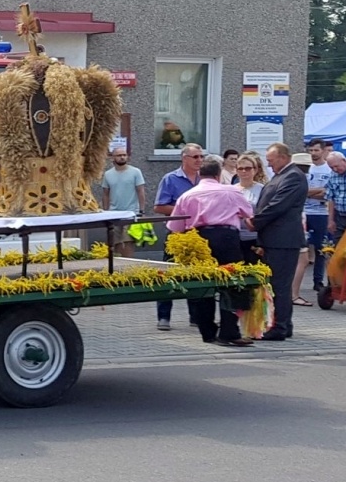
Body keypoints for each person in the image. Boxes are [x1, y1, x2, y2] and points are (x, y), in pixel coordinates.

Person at [169, 158, 254, 346]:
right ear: (218, 174)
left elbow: (175, 227)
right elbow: (249, 216)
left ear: (200, 174)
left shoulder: (187, 195)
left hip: (199, 240)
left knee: (203, 286)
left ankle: (207, 333)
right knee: (233, 284)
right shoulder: (232, 191)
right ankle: (229, 332)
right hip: (227, 239)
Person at [249, 144, 308, 341]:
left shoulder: (293, 176)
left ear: (283, 157)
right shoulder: (282, 175)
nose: (268, 164)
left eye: (271, 160)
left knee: (279, 285)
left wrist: (255, 222)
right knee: (276, 284)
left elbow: (278, 205)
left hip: (283, 240)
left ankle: (279, 327)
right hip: (275, 239)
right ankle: (284, 324)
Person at [153, 144, 203, 330]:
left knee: (197, 275)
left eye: (201, 157)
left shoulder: (204, 179)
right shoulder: (171, 179)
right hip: (177, 234)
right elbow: (159, 206)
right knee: (170, 274)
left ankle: (196, 316)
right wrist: (185, 211)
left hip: (198, 234)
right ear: (184, 158)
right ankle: (164, 317)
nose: (199, 160)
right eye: (195, 157)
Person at [96, 148, 145, 258]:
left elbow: (141, 191)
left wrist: (141, 211)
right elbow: (105, 194)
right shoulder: (108, 174)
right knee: (115, 243)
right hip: (114, 214)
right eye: (119, 155)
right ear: (113, 158)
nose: (122, 157)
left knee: (127, 242)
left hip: (131, 213)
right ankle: (118, 267)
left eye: (124, 155)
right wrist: (105, 212)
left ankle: (128, 266)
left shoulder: (135, 172)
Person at [302, 139, 334, 292]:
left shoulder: (329, 170)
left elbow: (327, 193)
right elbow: (300, 191)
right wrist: (315, 191)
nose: (313, 154)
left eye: (316, 150)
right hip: (305, 212)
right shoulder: (306, 169)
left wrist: (309, 193)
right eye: (311, 151)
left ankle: (318, 280)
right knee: (302, 248)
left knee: (322, 248)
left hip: (322, 213)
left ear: (323, 151)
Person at [234, 152, 267, 259]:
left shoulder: (263, 189)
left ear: (255, 170)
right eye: (241, 168)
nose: (244, 171)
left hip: (255, 237)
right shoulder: (231, 190)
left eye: (248, 168)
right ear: (236, 171)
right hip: (235, 236)